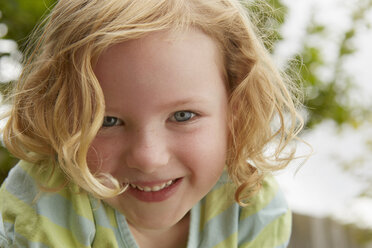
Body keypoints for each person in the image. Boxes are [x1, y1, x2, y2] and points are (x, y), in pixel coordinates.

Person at [0, 0, 304, 247]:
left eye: (183, 116)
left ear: (235, 111)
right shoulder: (44, 203)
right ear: (60, 117)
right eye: (107, 121)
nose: (148, 157)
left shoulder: (252, 208)